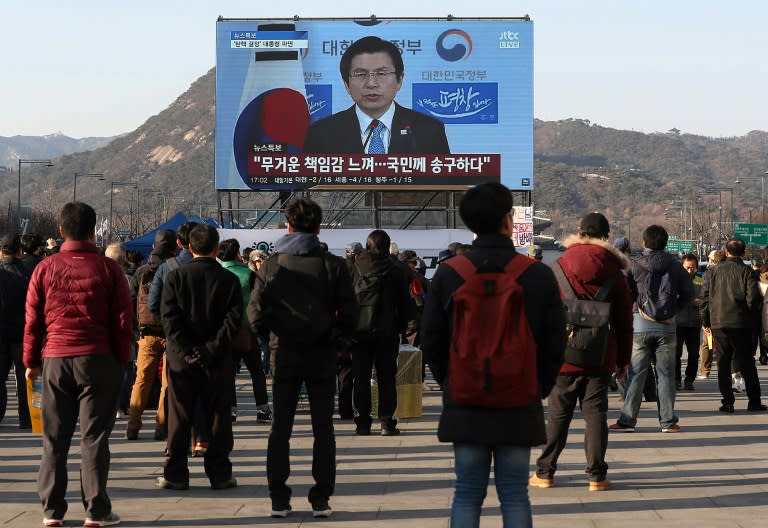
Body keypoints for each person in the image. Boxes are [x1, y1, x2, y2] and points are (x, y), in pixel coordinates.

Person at [421, 182, 566, 528]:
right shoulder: (537, 274)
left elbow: (431, 337)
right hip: (518, 398)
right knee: (515, 493)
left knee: (467, 492)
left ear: (469, 223)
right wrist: (540, 386)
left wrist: (450, 381)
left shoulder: (449, 273)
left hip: (466, 398)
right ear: (508, 219)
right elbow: (555, 341)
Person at [24, 202, 132, 528]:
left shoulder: (45, 268)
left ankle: (52, 511)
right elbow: (123, 321)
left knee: (55, 439)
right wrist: (121, 359)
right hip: (99, 360)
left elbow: (33, 321)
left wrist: (31, 361)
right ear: (92, 231)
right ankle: (96, 511)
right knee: (94, 438)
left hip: (56, 358)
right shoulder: (109, 269)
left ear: (60, 231)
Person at [248, 197, 357, 519]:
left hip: (284, 354)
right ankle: (320, 498)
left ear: (288, 225)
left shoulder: (271, 264)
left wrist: (271, 338)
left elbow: (254, 312)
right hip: (322, 354)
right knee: (323, 428)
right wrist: (338, 340)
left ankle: (279, 499)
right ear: (319, 228)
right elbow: (350, 313)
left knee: (281, 428)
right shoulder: (333, 265)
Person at [530, 212, 633, 492]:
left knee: (558, 415)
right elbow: (624, 324)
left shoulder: (558, 267)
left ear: (579, 232)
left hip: (563, 356)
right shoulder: (616, 273)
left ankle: (545, 472)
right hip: (600, 357)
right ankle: (597, 477)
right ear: (606, 237)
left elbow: (544, 317)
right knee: (596, 416)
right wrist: (623, 360)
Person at [157, 224, 242, 490]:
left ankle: (176, 473)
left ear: (188, 247)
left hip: (182, 360)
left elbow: (169, 320)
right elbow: (234, 320)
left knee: (180, 415)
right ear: (216, 248)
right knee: (218, 414)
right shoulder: (229, 281)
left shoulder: (175, 278)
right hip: (217, 359)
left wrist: (186, 350)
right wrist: (211, 348)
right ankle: (219, 473)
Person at [610, 225, 693, 433]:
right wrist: (674, 310)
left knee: (636, 374)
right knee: (665, 375)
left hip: (640, 325)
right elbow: (689, 293)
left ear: (644, 243)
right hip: (668, 327)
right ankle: (667, 421)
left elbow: (624, 294)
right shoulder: (675, 266)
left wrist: (634, 310)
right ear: (665, 243)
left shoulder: (634, 265)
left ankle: (627, 420)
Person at [303, 36, 450, 154]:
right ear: (346, 84)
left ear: (399, 80)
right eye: (360, 74)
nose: (371, 83)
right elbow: (308, 190)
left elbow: (445, 188)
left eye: (381, 73)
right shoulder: (322, 134)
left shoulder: (429, 131)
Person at [351, 230, 414, 436]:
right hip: (387, 331)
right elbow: (405, 302)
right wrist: (403, 328)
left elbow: (345, 300)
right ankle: (387, 422)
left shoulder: (355, 267)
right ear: (387, 247)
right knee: (386, 377)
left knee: (360, 377)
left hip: (360, 331)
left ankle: (362, 422)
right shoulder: (397, 269)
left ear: (367, 246)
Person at [125, 229, 177, 441]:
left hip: (146, 333)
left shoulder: (141, 272)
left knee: (141, 379)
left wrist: (135, 329)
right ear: (176, 247)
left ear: (153, 247)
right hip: (170, 332)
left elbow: (130, 303)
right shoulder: (175, 269)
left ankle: (133, 425)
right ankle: (161, 426)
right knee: (167, 381)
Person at [702, 238, 765, 413]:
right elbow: (753, 299)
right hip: (741, 323)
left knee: (723, 362)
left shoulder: (712, 272)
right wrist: (753, 320)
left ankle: (727, 402)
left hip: (718, 322)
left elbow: (705, 299)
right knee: (746, 362)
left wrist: (706, 321)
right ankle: (754, 401)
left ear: (726, 252)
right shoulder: (747, 272)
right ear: (744, 253)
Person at [218, 238, 271, 423]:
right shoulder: (248, 274)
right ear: (236, 253)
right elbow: (260, 300)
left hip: (224, 331)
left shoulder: (217, 273)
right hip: (246, 330)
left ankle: (231, 410)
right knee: (257, 371)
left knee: (229, 373)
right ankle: (263, 409)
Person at [0, 233, 32, 428]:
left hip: (1, 334)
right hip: (23, 333)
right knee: (24, 378)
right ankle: (26, 418)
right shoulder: (29, 273)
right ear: (20, 251)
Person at [675, 253, 704, 391]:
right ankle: (676, 380)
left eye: (692, 268)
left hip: (694, 323)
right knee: (676, 354)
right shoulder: (675, 280)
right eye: (687, 267)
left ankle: (689, 380)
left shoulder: (701, 281)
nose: (689, 270)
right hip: (678, 323)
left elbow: (707, 299)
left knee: (694, 355)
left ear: (696, 268)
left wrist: (700, 302)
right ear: (682, 266)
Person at [697, 249, 725, 379]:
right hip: (728, 317)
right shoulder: (731, 273)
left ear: (713, 260)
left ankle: (705, 371)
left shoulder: (708, 275)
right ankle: (726, 371)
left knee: (707, 344)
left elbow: (704, 299)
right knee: (724, 346)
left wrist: (704, 320)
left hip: (712, 316)